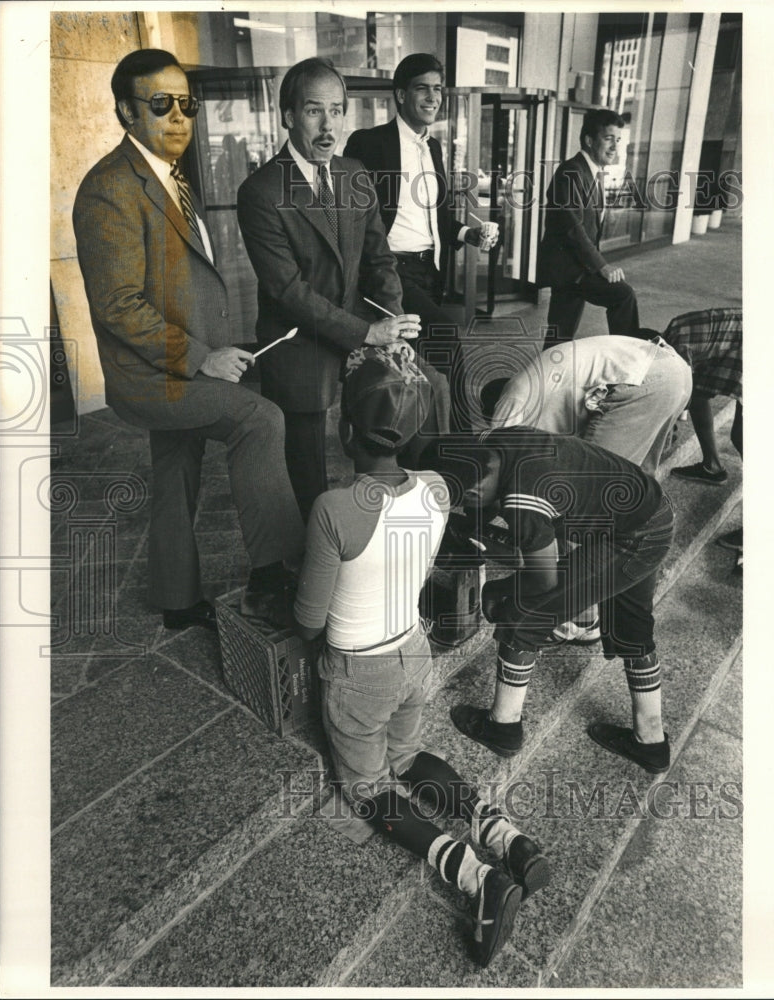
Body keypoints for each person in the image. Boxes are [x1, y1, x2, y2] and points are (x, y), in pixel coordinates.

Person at [293, 343, 549, 968]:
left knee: (368, 786)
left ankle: (477, 878)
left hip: (361, 672)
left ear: (345, 428)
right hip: (415, 653)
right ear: (409, 434)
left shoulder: (334, 509)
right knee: (408, 755)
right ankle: (506, 837)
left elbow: (307, 619)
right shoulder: (435, 488)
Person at [72, 48, 305, 631]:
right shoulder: (110, 189)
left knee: (175, 465)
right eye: (160, 104)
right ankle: (272, 581)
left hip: (176, 365)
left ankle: (176, 598)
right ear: (127, 112)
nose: (179, 117)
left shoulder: (169, 174)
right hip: (153, 377)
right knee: (260, 419)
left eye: (186, 104)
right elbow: (118, 306)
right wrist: (202, 358)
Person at [237, 57, 450, 521]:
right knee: (309, 458)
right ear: (289, 116)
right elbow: (288, 292)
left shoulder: (354, 173)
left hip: (361, 326)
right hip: (299, 338)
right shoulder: (261, 191)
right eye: (314, 111)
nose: (327, 125)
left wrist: (391, 325)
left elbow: (379, 259)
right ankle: (319, 547)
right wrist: (366, 333)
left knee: (426, 389)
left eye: (336, 111)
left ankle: (410, 516)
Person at [435, 427, 674, 773]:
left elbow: (544, 581)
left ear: (476, 486)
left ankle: (502, 727)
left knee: (525, 612)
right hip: (651, 510)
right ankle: (651, 742)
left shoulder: (523, 500)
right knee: (631, 624)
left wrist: (500, 589)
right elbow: (490, 506)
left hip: (631, 538)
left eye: (467, 498)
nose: (467, 506)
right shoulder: (493, 441)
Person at [344, 53, 498, 428]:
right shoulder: (369, 143)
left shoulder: (434, 148)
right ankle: (467, 443)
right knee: (447, 342)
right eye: (422, 89)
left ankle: (410, 439)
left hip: (430, 270)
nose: (433, 98)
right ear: (400, 94)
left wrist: (469, 233)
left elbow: (436, 216)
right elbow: (353, 216)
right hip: (391, 271)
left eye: (438, 90)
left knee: (415, 364)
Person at [484, 333, 692, 477]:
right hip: (676, 369)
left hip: (645, 381)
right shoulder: (543, 385)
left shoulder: (513, 399)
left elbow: (495, 461)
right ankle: (644, 534)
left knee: (589, 478)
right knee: (639, 475)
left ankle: (575, 540)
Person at [537, 109, 640, 348]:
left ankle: (547, 379)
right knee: (623, 296)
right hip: (570, 271)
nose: (615, 146)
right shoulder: (571, 172)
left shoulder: (592, 173)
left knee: (559, 338)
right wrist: (601, 266)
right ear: (589, 140)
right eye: (608, 138)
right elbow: (572, 228)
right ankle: (629, 358)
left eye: (618, 140)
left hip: (575, 267)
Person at [664, 307, 743, 565]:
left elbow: (678, 392)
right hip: (735, 340)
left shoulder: (673, 351)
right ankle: (712, 466)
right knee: (698, 394)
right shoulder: (675, 331)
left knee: (744, 436)